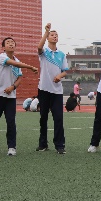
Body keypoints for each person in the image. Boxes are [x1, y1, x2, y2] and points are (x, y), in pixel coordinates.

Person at [0, 36, 38, 156]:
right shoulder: (2, 57)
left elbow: (19, 78)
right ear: (3, 47)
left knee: (11, 121)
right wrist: (30, 67)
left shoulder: (18, 60)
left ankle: (11, 147)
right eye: (8, 42)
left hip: (11, 97)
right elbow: (13, 63)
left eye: (12, 42)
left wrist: (13, 87)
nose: (11, 44)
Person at [36, 23, 69, 154]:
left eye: (56, 35)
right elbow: (39, 47)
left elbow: (65, 71)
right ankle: (43, 144)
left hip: (57, 91)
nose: (54, 36)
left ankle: (60, 145)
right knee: (43, 118)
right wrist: (46, 32)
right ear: (48, 38)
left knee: (58, 118)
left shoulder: (61, 54)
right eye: (52, 35)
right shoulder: (44, 52)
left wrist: (59, 76)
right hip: (44, 89)